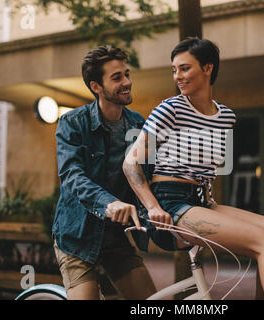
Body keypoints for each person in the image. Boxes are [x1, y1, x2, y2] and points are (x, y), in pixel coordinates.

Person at [123, 38, 264, 300]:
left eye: (184, 68)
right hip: (170, 206)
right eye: (174, 70)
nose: (177, 76)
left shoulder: (226, 117)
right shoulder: (171, 109)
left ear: (207, 68)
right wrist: (153, 207)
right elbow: (130, 161)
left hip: (204, 201)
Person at [52, 45, 156, 300]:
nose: (127, 82)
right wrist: (109, 204)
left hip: (117, 240)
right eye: (117, 77)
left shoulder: (137, 124)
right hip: (77, 238)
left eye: (127, 74)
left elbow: (150, 175)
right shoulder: (72, 123)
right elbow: (72, 176)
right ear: (96, 86)